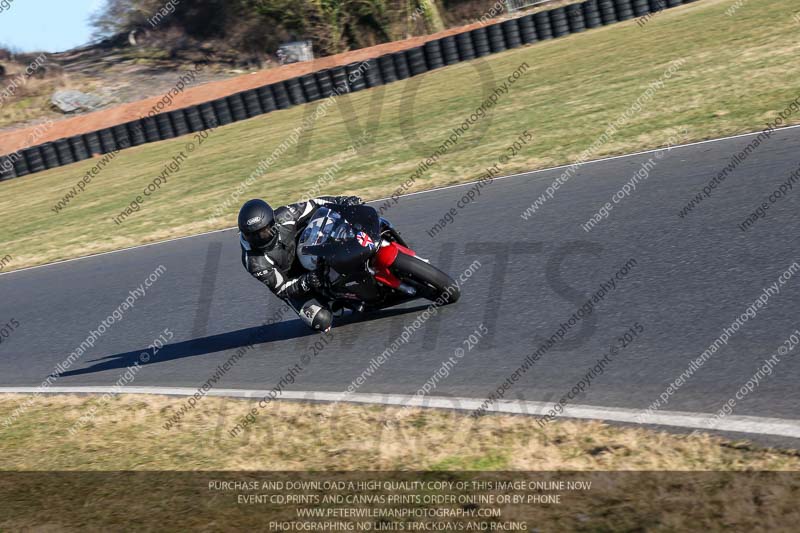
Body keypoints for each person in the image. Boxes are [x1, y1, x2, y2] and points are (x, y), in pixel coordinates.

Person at [238, 195, 363, 331]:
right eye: (250, 235)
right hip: (294, 283)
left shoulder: (285, 216)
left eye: (262, 233)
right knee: (322, 320)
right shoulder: (254, 261)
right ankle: (331, 299)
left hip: (310, 252)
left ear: (272, 223)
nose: (258, 239)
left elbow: (315, 204)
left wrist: (341, 202)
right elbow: (282, 289)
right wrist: (307, 281)